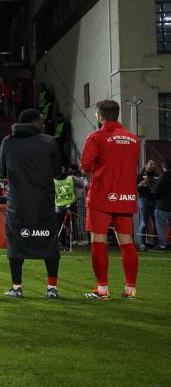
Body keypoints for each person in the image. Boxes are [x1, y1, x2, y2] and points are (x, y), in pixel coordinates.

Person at [0, 108, 62, 299]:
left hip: (18, 203)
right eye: (41, 121)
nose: (44, 124)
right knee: (49, 243)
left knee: (16, 244)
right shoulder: (49, 142)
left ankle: (17, 287)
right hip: (44, 201)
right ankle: (52, 288)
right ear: (33, 122)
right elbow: (57, 171)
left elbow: (1, 171)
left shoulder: (7, 142)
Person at [79, 100, 140, 300]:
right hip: (125, 196)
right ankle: (130, 288)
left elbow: (86, 166)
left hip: (101, 197)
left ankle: (102, 289)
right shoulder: (133, 139)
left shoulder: (95, 137)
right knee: (127, 243)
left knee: (98, 242)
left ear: (101, 116)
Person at [137, 160, 160, 250]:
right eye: (151, 164)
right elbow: (135, 187)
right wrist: (141, 184)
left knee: (155, 222)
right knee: (143, 222)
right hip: (143, 200)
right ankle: (142, 244)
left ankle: (155, 243)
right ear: (146, 165)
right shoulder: (140, 175)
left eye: (154, 164)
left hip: (154, 200)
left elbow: (159, 187)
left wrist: (153, 183)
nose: (153, 166)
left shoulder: (157, 175)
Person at [153, 161, 170, 251]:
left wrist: (155, 197)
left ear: (164, 167)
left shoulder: (163, 176)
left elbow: (157, 190)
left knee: (160, 226)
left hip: (163, 206)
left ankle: (162, 245)